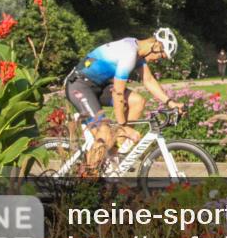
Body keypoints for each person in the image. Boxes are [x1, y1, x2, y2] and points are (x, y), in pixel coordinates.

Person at [64, 28, 183, 170]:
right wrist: (124, 127)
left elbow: (149, 81)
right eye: (162, 56)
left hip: (98, 86)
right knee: (104, 133)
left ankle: (113, 156)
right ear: (156, 46)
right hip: (79, 85)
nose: (158, 60)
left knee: (137, 101)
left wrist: (171, 103)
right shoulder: (129, 53)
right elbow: (118, 93)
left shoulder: (138, 53)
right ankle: (85, 182)